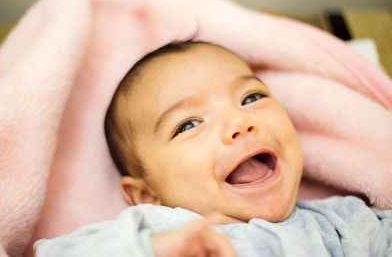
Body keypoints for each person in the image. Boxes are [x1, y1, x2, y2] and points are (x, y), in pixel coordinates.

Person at [34, 41, 392, 257]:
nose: (239, 123)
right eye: (188, 124)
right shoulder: (156, 230)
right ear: (146, 194)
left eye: (251, 97)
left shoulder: (345, 220)